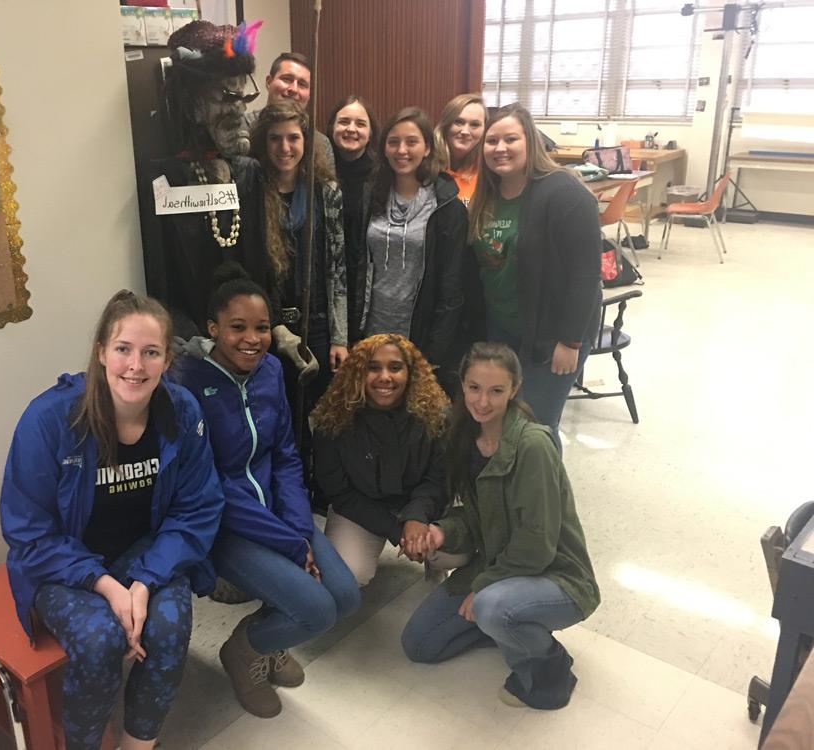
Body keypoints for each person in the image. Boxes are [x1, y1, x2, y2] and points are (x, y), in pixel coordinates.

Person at [0, 291, 224, 750]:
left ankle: (139, 743)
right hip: (64, 563)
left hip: (146, 551)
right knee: (101, 639)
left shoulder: (182, 412)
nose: (135, 366)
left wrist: (143, 582)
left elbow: (197, 508)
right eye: (123, 349)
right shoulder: (48, 419)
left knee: (170, 626)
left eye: (151, 352)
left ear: (167, 359)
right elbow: (28, 531)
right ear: (101, 352)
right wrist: (104, 584)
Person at [173, 263, 360, 719]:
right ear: (214, 328)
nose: (251, 339)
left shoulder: (271, 370)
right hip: (225, 526)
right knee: (317, 610)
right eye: (237, 327)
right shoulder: (187, 384)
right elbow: (209, 482)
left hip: (280, 517)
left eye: (260, 328)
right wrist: (291, 546)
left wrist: (299, 530)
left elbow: (284, 456)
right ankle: (244, 652)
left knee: (346, 596)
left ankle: (273, 639)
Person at [401, 342, 599, 710]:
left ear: (514, 389)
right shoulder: (465, 438)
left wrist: (483, 586)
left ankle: (550, 668)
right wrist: (444, 530)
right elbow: (478, 518)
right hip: (498, 566)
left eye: (496, 391)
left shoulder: (533, 446)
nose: (483, 401)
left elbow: (537, 546)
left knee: (492, 606)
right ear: (462, 385)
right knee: (419, 646)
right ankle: (505, 626)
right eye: (475, 388)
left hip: (558, 577)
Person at [468, 102, 602, 451]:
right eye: (491, 141)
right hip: (504, 329)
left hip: (553, 335)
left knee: (536, 428)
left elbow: (586, 275)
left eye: (510, 138)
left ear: (530, 141)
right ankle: (510, 499)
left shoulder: (563, 192)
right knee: (502, 421)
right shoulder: (489, 195)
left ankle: (547, 504)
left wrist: (570, 341)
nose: (500, 148)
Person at [141, 20, 272, 339]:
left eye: (244, 98)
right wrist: (180, 338)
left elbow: (259, 265)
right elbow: (162, 280)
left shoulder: (248, 172)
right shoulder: (164, 179)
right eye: (227, 98)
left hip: (246, 339)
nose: (240, 111)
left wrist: (273, 326)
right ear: (195, 107)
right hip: (192, 341)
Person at [309, 333, 449, 586]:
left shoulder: (435, 412)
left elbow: (439, 476)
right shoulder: (332, 418)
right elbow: (338, 492)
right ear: (357, 373)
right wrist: (399, 531)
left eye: (395, 367)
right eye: (372, 368)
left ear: (411, 372)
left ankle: (435, 562)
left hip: (420, 504)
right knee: (349, 574)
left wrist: (417, 516)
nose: (384, 377)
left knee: (453, 552)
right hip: (361, 508)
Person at [355, 107, 468, 396]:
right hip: (371, 327)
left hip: (419, 331)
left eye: (411, 142)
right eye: (393, 142)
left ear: (427, 147)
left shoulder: (446, 206)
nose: (401, 150)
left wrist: (435, 353)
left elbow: (452, 286)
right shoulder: (370, 194)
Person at [249, 102, 347, 424]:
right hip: (268, 324)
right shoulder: (252, 191)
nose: (285, 147)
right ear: (264, 142)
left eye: (293, 137)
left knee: (318, 416)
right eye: (275, 138)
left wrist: (339, 337)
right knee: (278, 415)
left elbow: (338, 266)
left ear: (306, 141)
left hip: (316, 323)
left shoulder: (325, 191)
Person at [325, 95, 378, 341]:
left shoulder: (383, 176)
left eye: (360, 123)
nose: (351, 129)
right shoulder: (316, 172)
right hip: (328, 283)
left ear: (371, 132)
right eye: (344, 121)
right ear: (332, 128)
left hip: (368, 284)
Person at [244, 52, 335, 174]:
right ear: (269, 82)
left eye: (302, 84)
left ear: (309, 94)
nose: (293, 89)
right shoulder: (240, 128)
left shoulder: (321, 144)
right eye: (287, 79)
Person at [433, 93, 486, 206]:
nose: (465, 131)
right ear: (446, 125)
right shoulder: (426, 169)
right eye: (458, 122)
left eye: (475, 124)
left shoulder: (488, 173)